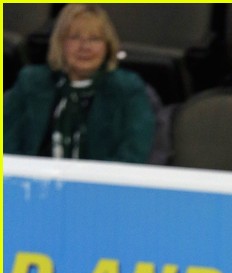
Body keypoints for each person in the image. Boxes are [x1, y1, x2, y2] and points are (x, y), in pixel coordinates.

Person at [3, 3, 155, 163]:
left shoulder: (128, 89)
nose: (85, 47)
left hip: (101, 184)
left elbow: (134, 155)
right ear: (60, 43)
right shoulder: (31, 82)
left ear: (108, 46)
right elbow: (7, 143)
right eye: (75, 37)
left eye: (94, 39)